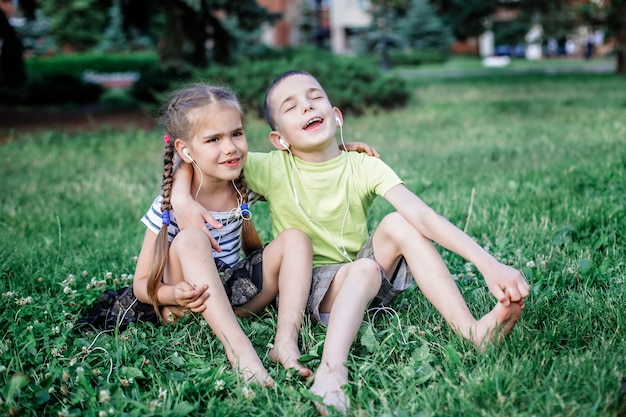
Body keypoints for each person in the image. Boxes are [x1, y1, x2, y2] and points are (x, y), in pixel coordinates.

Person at [172, 71, 530, 414]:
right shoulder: (273, 167)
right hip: (307, 286)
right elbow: (198, 153)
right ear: (279, 140)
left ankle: (470, 331)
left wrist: (488, 263)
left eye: (315, 99)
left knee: (397, 223)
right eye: (291, 107)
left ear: (336, 115)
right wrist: (181, 198)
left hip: (360, 276)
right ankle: (331, 371)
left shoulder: (364, 167)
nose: (308, 107)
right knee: (364, 269)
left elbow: (424, 217)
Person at [79, 84, 315, 386]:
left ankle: (286, 342)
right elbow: (141, 286)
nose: (230, 147)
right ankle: (241, 353)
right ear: (185, 150)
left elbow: (304, 168)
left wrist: (344, 150)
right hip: (186, 303)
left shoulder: (245, 185)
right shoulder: (169, 208)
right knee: (192, 239)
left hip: (233, 297)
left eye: (236, 133)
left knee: (296, 239)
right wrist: (172, 294)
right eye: (214, 139)